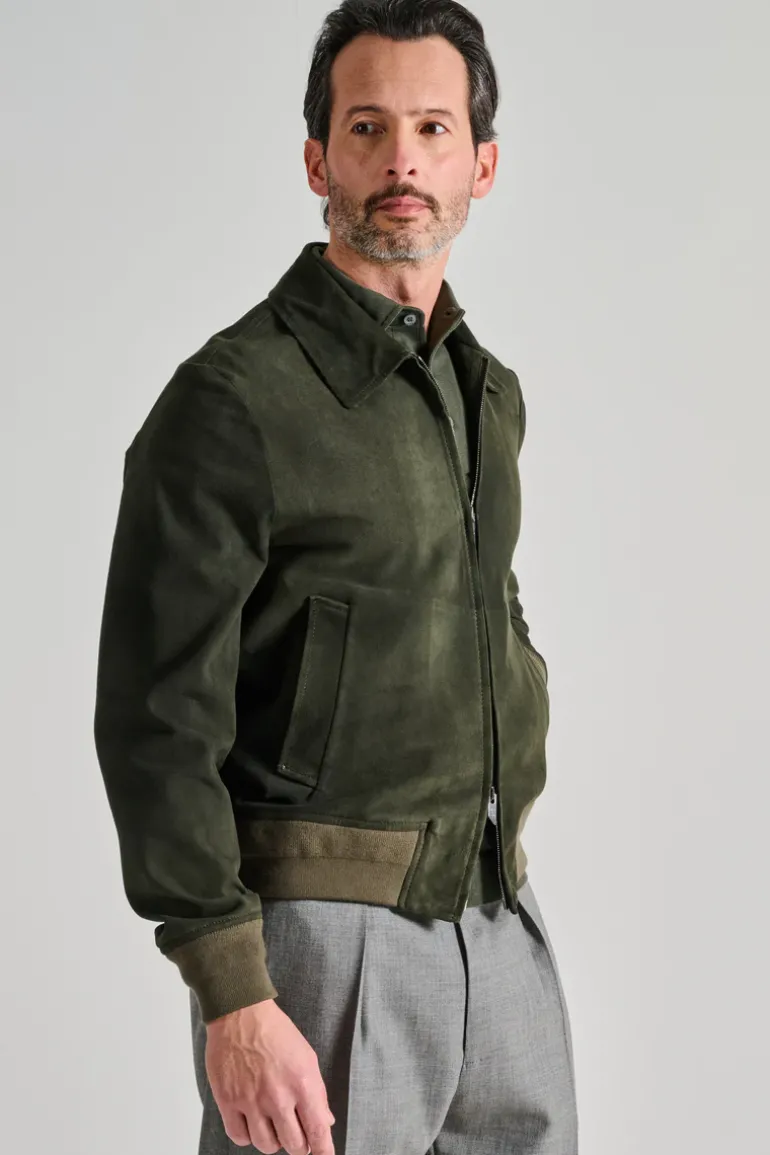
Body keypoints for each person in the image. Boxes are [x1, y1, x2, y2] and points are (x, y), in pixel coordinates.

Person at [93, 2, 578, 1152]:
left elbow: (486, 605)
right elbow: (157, 720)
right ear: (318, 160)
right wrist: (230, 987)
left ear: (482, 164)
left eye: (432, 128)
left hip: (496, 917)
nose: (401, 159)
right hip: (320, 941)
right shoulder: (233, 401)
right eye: (366, 128)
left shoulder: (483, 392)